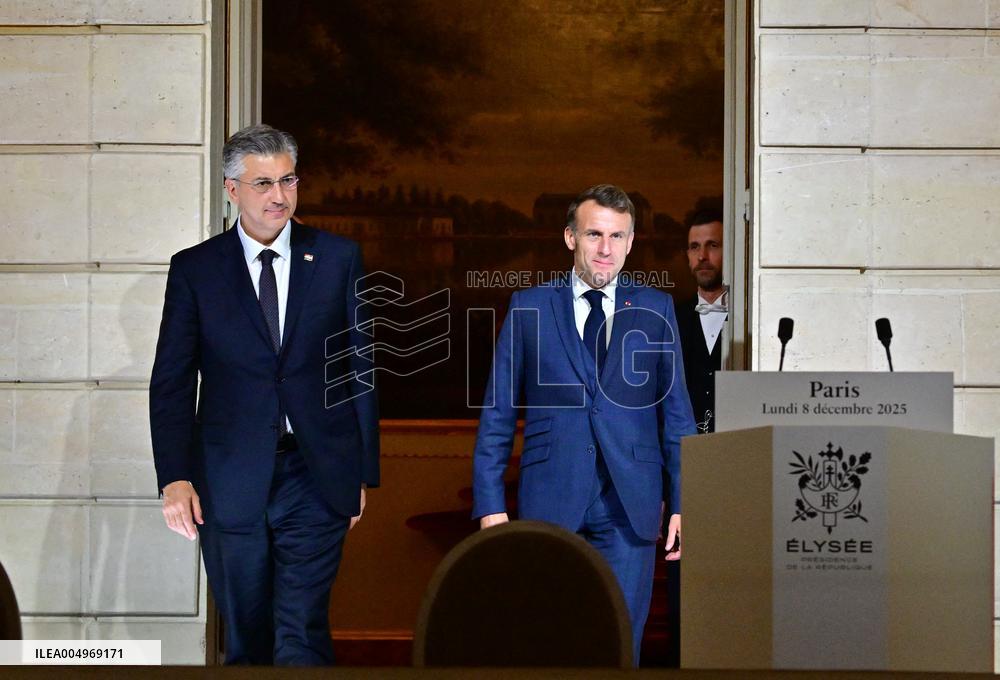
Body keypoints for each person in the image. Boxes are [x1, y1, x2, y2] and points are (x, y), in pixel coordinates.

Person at [149, 124, 379, 665]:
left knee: (301, 632)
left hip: (316, 473)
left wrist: (362, 472)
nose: (279, 196)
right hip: (228, 478)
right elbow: (173, 381)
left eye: (288, 180)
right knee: (247, 640)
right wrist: (175, 477)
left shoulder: (339, 258)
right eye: (262, 184)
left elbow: (361, 368)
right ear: (232, 191)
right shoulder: (196, 269)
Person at [472, 184, 696, 662]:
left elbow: (677, 414)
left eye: (617, 236)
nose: (606, 249)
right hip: (551, 496)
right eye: (594, 234)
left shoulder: (656, 310)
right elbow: (498, 413)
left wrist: (683, 502)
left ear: (632, 242)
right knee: (550, 642)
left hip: (630, 504)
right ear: (570, 237)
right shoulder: (529, 306)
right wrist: (490, 504)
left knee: (620, 644)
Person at [677, 204, 725, 434]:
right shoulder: (672, 319)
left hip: (740, 449)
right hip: (682, 455)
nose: (702, 256)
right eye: (694, 247)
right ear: (687, 256)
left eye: (712, 245)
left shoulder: (749, 318)